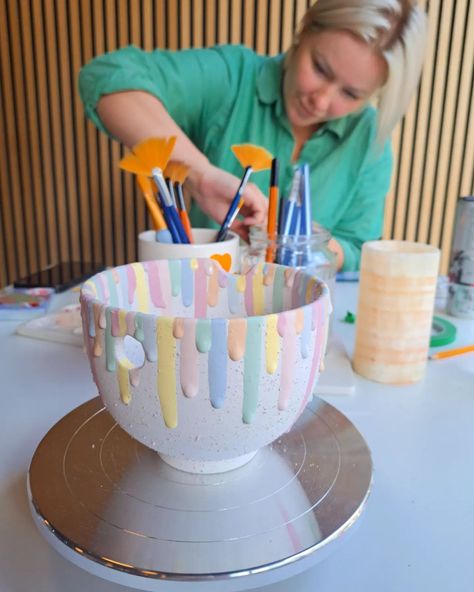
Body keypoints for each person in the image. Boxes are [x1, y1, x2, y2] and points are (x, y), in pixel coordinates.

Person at [79, 0, 427, 270]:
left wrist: (297, 239)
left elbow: (355, 249)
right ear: (303, 30)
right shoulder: (233, 77)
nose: (320, 101)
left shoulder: (369, 141)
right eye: (320, 68)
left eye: (350, 94)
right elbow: (109, 77)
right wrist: (201, 176)